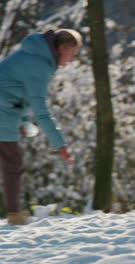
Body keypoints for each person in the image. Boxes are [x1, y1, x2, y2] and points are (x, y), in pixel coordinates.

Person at [0, 29, 81, 225]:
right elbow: (41, 111)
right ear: (61, 49)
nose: (71, 61)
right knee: (12, 164)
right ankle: (14, 215)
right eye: (72, 55)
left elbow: (12, 90)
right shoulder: (39, 66)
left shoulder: (33, 56)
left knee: (12, 162)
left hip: (7, 114)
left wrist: (19, 123)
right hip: (3, 115)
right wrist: (59, 144)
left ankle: (14, 213)